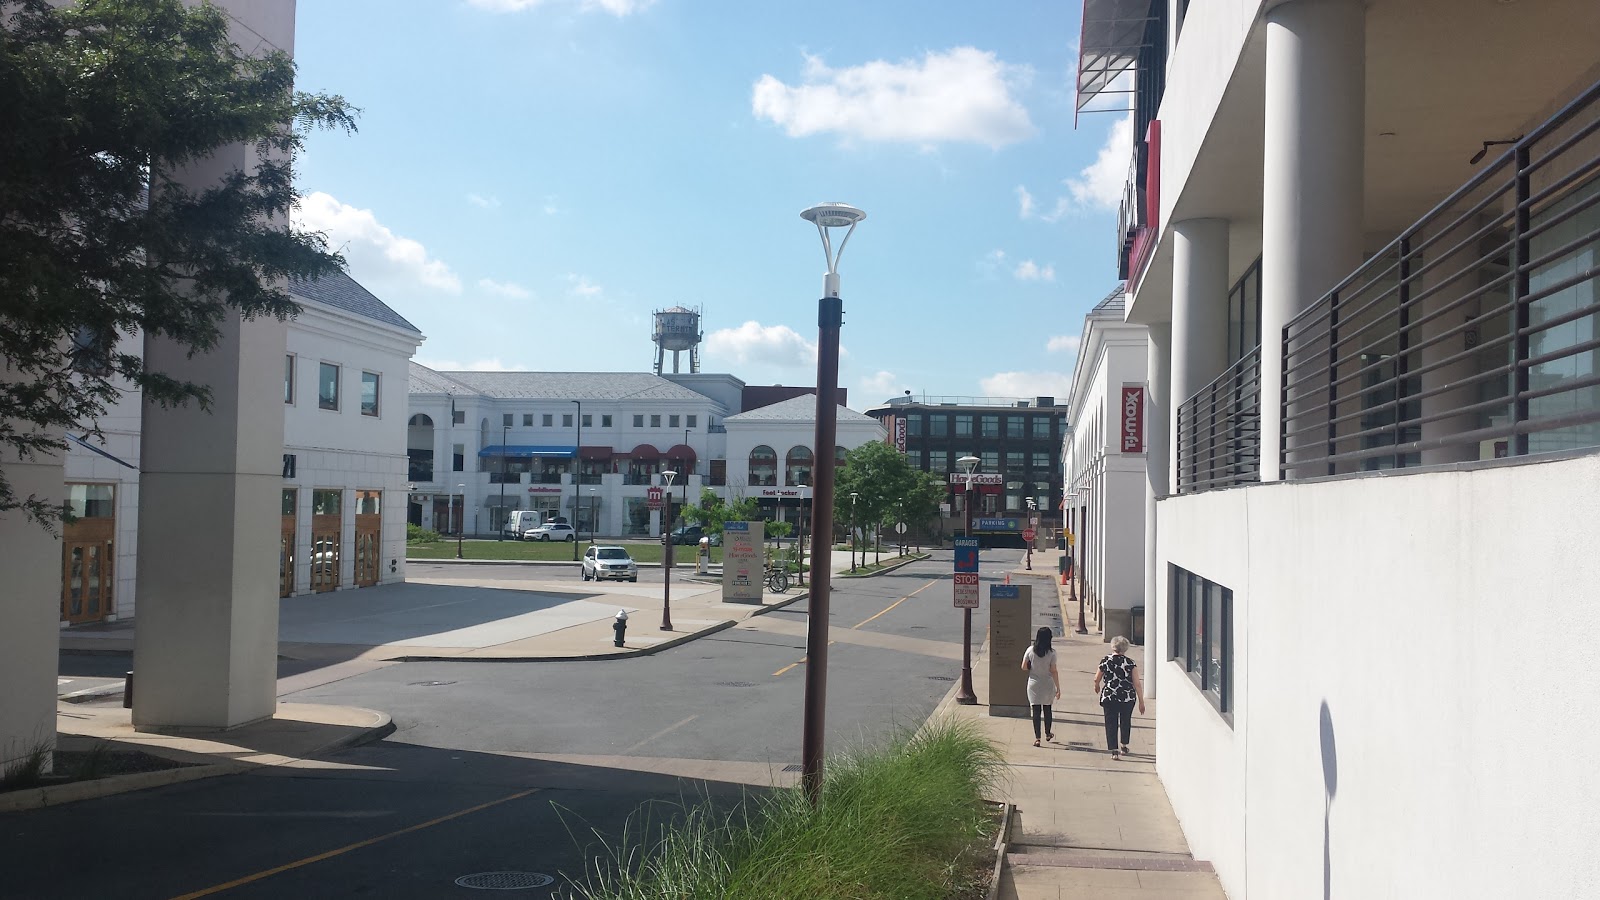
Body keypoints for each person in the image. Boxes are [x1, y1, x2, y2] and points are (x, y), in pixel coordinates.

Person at [1093, 635, 1145, 759]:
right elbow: (1137, 683)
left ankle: (1114, 750)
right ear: (1125, 649)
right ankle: (1124, 745)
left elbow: (1096, 678)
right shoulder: (1130, 663)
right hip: (1127, 697)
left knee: (1110, 722)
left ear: (1113, 647)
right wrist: (1141, 702)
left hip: (1109, 696)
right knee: (1125, 721)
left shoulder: (1105, 660)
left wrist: (1097, 686)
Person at [1020, 627, 1060, 747]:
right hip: (1047, 683)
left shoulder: (1030, 650)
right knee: (1047, 709)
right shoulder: (1052, 653)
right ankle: (1048, 733)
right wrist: (1058, 687)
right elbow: (1053, 671)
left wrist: (1032, 666)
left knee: (1036, 711)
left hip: (1033, 683)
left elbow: (1023, 667)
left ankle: (1037, 738)